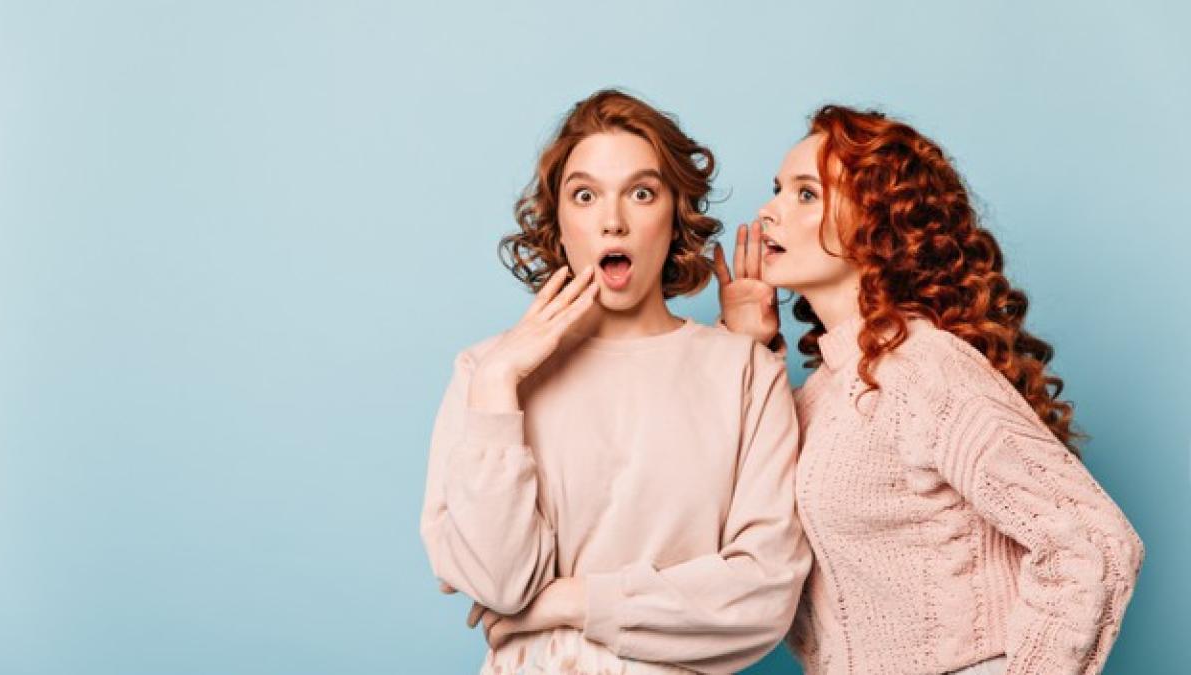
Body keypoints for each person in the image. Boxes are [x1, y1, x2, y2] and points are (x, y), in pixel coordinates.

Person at [714, 104, 1144, 674]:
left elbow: (1095, 542)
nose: (768, 211)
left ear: (876, 225)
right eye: (777, 190)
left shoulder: (925, 368)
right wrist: (748, 351)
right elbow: (739, 536)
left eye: (806, 194)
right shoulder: (818, 397)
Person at [421, 89, 811, 674]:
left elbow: (763, 594)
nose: (613, 220)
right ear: (558, 219)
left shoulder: (747, 372)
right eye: (585, 195)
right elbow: (499, 584)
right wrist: (500, 388)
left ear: (674, 212)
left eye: (641, 192)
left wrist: (565, 604)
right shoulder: (483, 374)